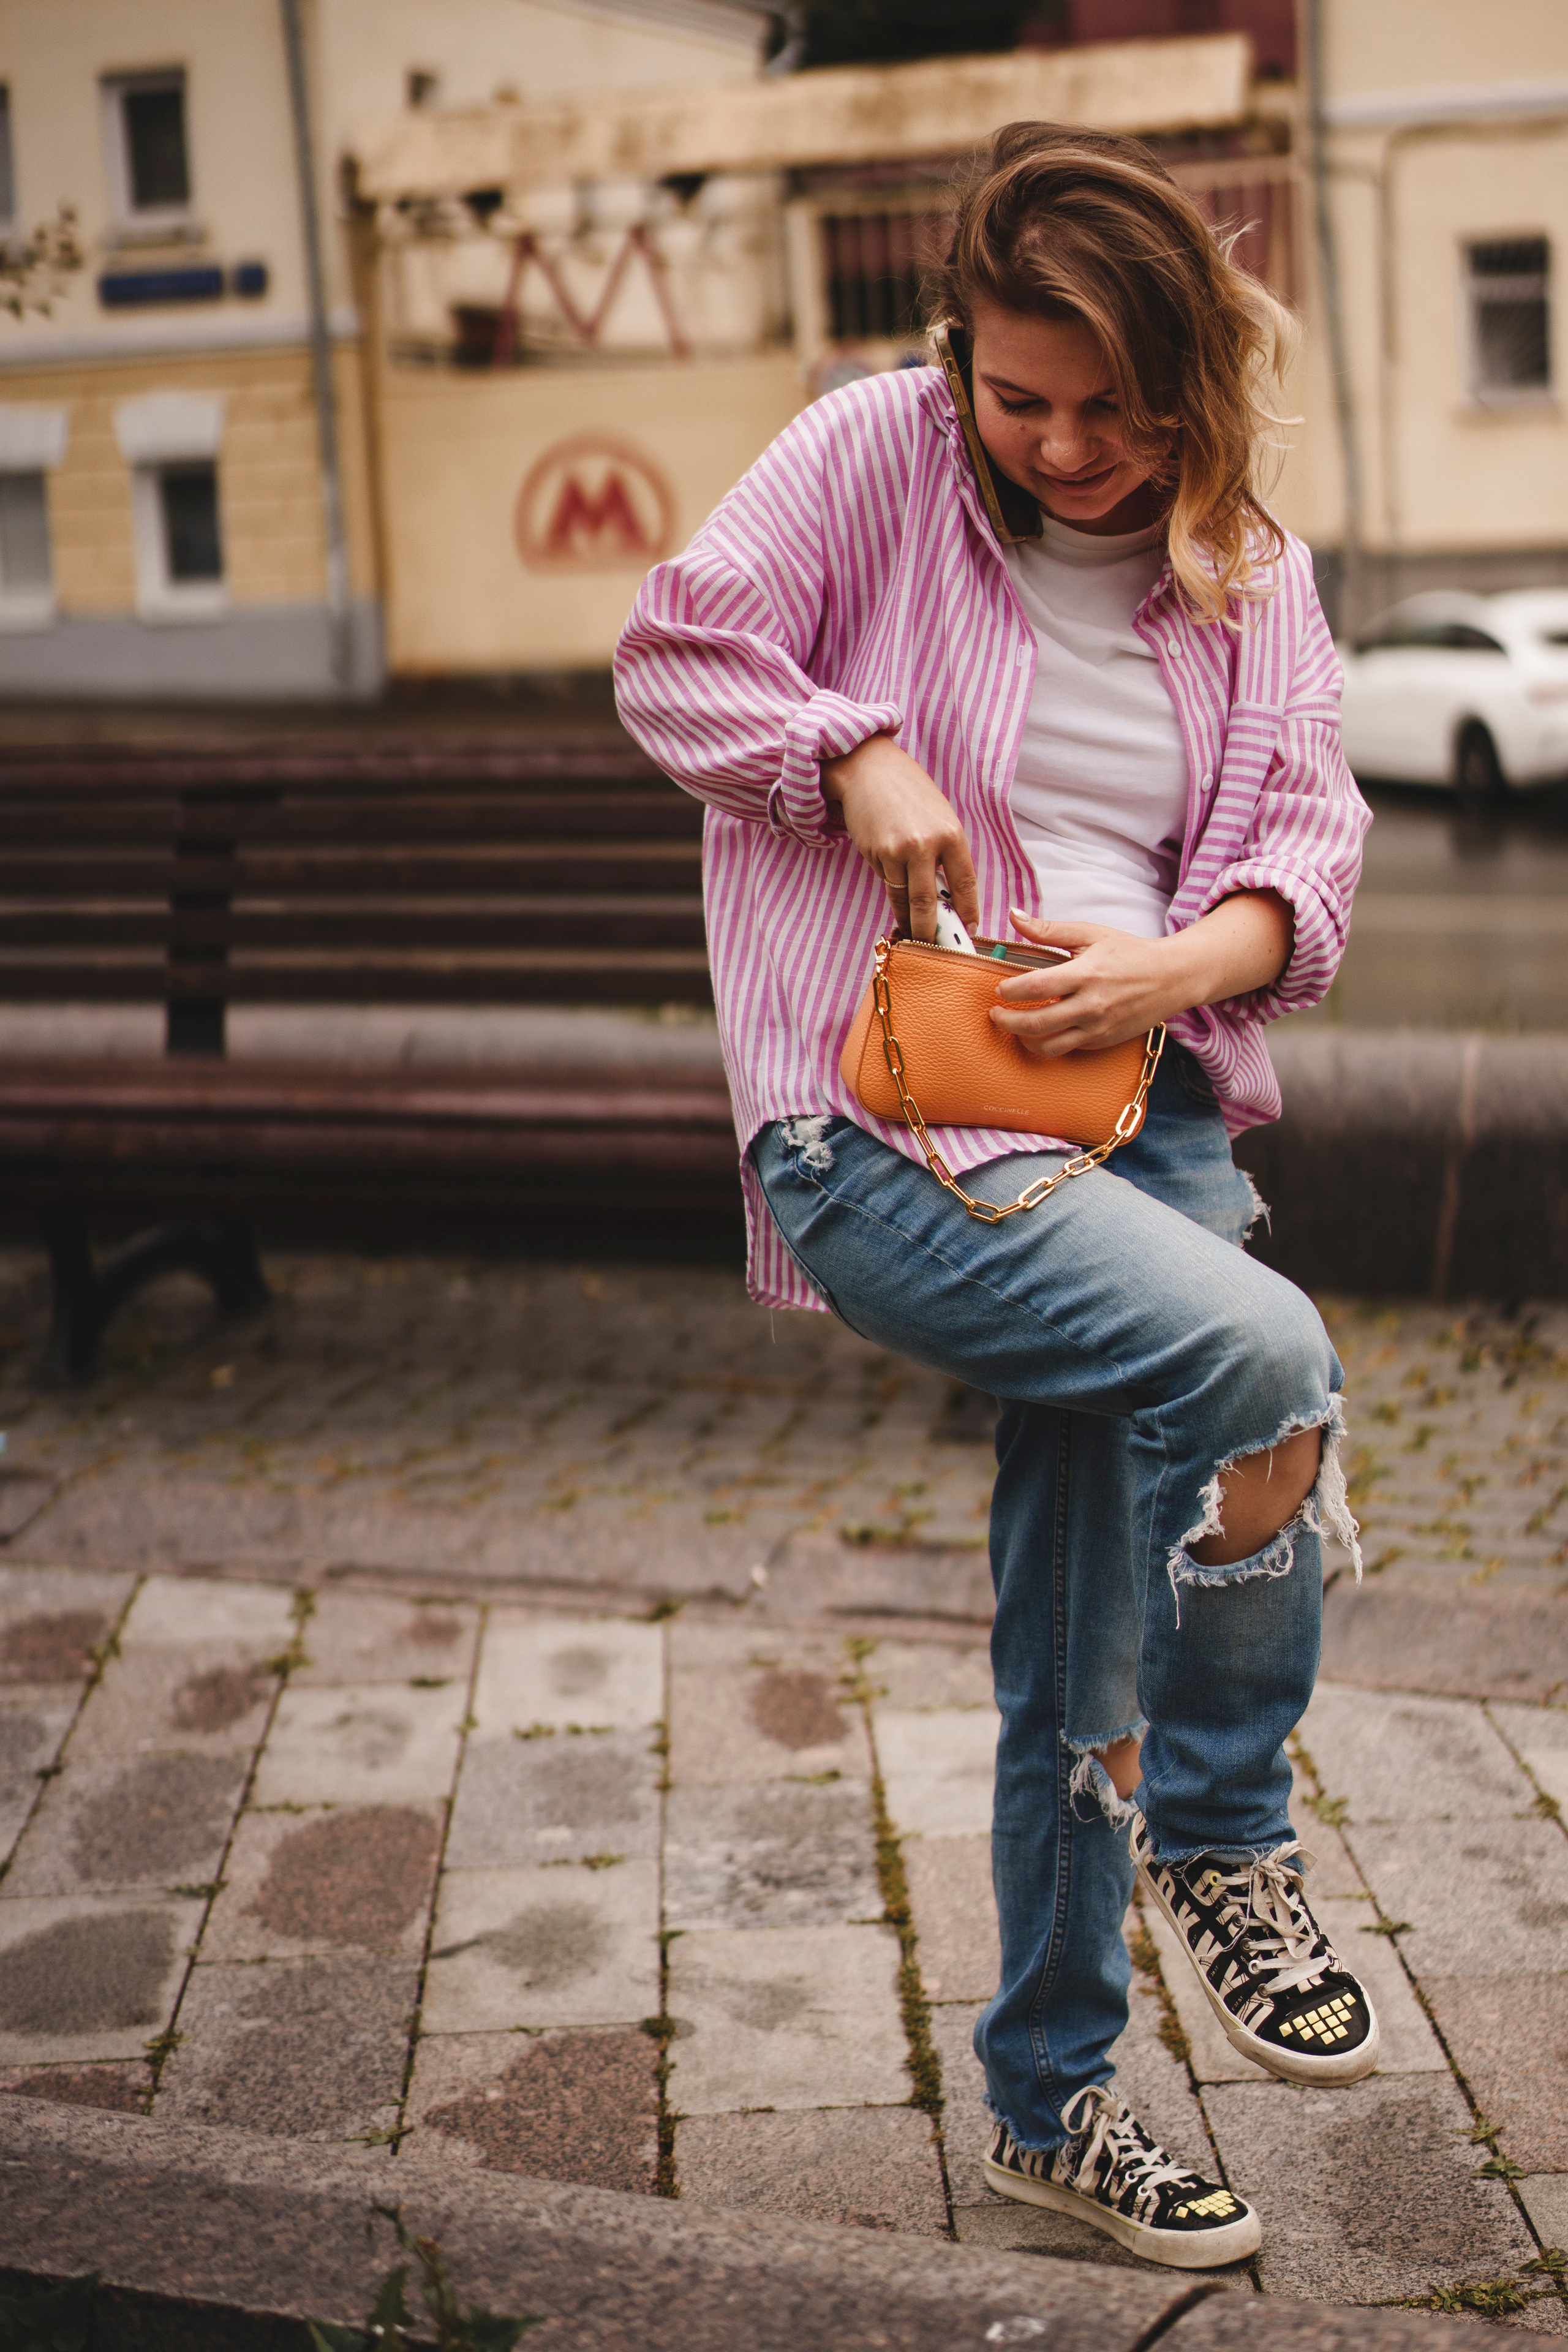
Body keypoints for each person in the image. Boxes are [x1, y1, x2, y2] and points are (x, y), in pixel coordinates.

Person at [616, 121, 1373, 2271]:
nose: (1061, 448)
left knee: (1081, 1627)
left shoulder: (1257, 572)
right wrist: (848, 751)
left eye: (1114, 408)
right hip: (886, 1120)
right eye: (1018, 398)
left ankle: (1051, 2105)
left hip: (1151, 1111)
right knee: (1270, 1359)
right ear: (958, 359)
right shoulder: (875, 452)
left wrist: (1173, 967)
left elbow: (1308, 861)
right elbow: (674, 653)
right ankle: (1226, 1836)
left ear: (1194, 379)